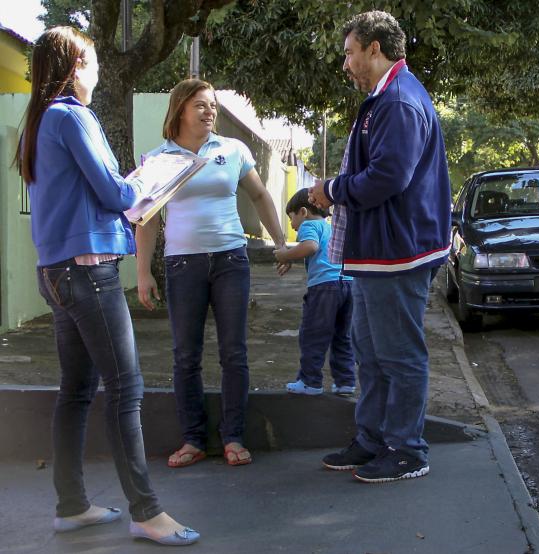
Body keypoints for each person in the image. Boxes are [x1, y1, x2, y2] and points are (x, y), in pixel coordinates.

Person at [16, 26, 198, 546]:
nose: (97, 73)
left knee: (77, 390)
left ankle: (71, 504)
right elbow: (115, 192)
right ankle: (147, 511)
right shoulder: (70, 116)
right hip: (86, 272)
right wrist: (154, 174)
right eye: (93, 63)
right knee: (125, 388)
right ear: (76, 68)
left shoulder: (39, 121)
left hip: (56, 272)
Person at [310, 10, 451, 483]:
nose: (346, 63)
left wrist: (330, 190)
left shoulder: (397, 101)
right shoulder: (385, 98)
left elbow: (389, 178)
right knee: (369, 350)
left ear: (375, 48)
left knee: (399, 354)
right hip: (380, 252)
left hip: (399, 252)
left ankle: (408, 449)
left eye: (350, 52)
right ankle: (372, 439)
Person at [135, 79, 288, 468]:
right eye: (201, 105)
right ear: (180, 109)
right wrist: (143, 273)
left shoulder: (232, 149)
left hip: (230, 261)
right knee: (186, 355)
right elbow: (147, 220)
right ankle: (193, 440)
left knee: (233, 352)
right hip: (182, 264)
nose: (209, 112)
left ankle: (233, 436)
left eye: (213, 106)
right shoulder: (158, 159)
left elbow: (259, 196)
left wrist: (280, 242)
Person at [274, 188, 356, 397]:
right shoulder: (332, 227)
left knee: (313, 334)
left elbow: (310, 246)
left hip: (324, 289)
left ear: (303, 212)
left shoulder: (309, 225)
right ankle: (345, 382)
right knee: (343, 336)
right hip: (348, 283)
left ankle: (310, 381)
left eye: (291, 219)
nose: (292, 226)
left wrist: (285, 255)